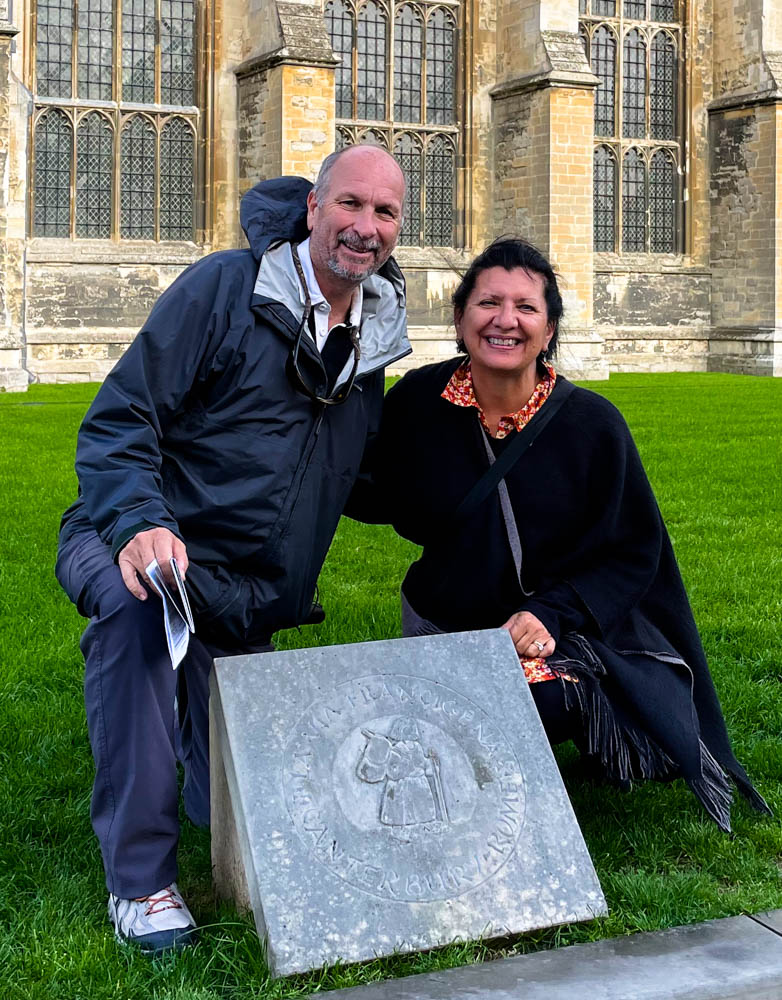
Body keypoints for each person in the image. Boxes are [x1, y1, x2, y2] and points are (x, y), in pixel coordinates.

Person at [54, 145, 410, 953]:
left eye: (384, 213)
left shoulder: (374, 337)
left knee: (249, 823)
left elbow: (355, 474)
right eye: (350, 205)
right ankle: (141, 883)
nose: (365, 227)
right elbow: (120, 421)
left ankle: (196, 739)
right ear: (312, 208)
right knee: (138, 612)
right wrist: (142, 521)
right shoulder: (224, 288)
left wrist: (483, 474)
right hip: (135, 540)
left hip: (243, 599)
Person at [349, 237, 770, 834]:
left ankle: (586, 727)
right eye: (488, 303)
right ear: (460, 317)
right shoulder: (418, 401)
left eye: (526, 307)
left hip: (555, 630)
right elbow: (374, 490)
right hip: (444, 620)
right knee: (433, 719)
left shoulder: (592, 424)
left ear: (549, 331)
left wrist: (551, 613)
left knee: (531, 701)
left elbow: (633, 552)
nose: (505, 320)